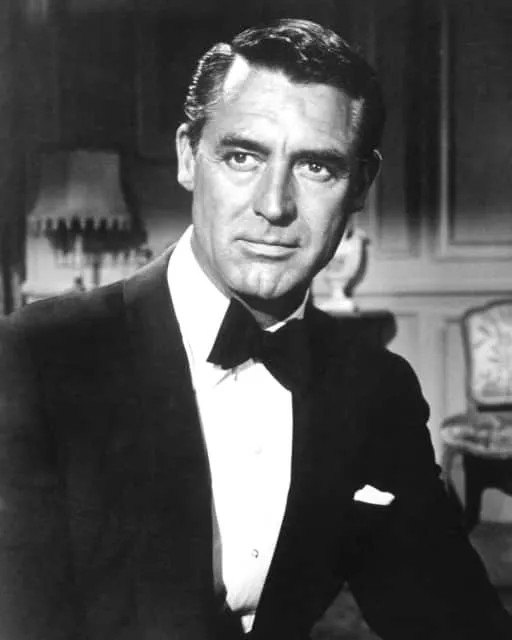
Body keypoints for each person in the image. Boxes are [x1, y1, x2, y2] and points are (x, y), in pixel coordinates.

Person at [0, 18, 510, 640]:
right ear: (189, 157)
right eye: (242, 156)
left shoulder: (376, 388)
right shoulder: (32, 360)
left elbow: (452, 616)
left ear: (360, 185)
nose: (274, 205)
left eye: (316, 166)